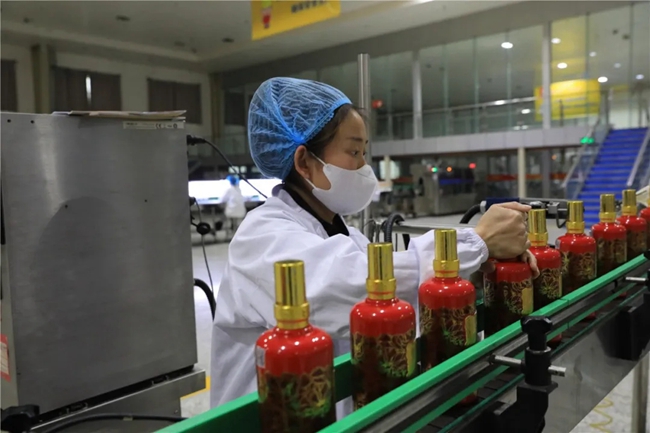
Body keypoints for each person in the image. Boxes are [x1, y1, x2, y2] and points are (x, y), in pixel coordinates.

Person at [210, 77, 538, 408]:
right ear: (304, 162)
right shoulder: (262, 236)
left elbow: (398, 291)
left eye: (364, 153)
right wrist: (475, 243)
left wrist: (474, 272)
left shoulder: (344, 235)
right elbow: (350, 289)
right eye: (354, 152)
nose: (364, 166)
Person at [222, 175, 246, 239]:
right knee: (235, 215)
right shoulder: (239, 189)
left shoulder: (229, 189)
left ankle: (231, 229)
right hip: (241, 211)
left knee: (225, 214)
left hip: (231, 211)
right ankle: (234, 228)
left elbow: (223, 199)